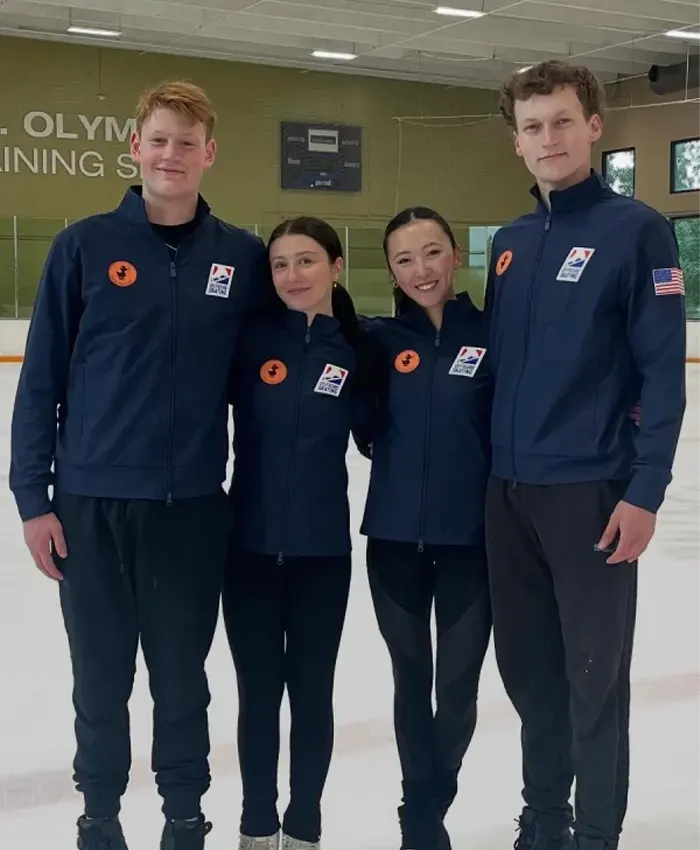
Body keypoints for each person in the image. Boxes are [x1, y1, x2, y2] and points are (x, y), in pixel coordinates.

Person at [9, 81, 277, 850]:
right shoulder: (84, 246)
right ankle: (99, 815)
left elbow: (269, 369)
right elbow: (41, 384)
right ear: (136, 147)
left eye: (186, 143)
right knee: (99, 680)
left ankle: (184, 816)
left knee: (181, 680)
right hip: (91, 506)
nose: (171, 155)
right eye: (159, 140)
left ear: (209, 154)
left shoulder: (240, 257)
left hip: (190, 508)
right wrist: (34, 497)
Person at [483, 60, 687, 850]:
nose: (549, 138)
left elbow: (662, 368)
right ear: (517, 142)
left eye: (562, 121)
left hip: (591, 494)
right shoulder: (510, 241)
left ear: (594, 127)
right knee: (532, 677)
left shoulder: (635, 229)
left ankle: (595, 833)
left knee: (593, 682)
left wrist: (645, 490)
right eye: (532, 126)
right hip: (508, 493)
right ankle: (542, 824)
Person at [222, 216, 376, 850]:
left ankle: (305, 826)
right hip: (248, 549)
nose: (292, 275)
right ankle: (257, 826)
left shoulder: (360, 349)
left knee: (312, 693)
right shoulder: (249, 341)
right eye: (280, 264)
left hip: (322, 554)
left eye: (307, 261)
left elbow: (386, 431)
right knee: (258, 696)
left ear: (336, 267)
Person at [357, 207, 493, 850]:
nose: (421, 270)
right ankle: (422, 815)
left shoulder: (493, 335)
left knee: (458, 684)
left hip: (473, 543)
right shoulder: (377, 341)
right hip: (393, 544)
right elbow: (360, 429)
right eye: (405, 259)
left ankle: (433, 797)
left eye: (432, 253)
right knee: (410, 675)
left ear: (455, 255)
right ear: (390, 269)